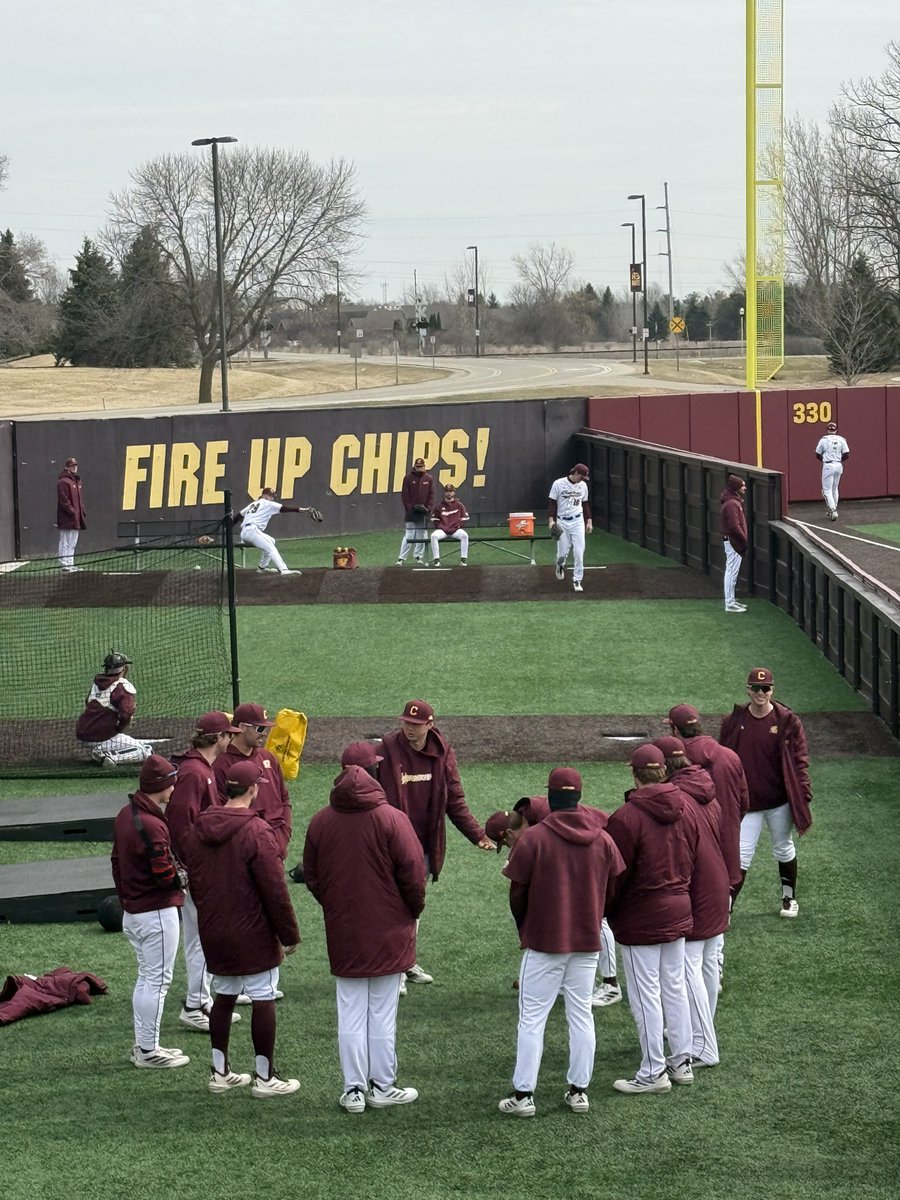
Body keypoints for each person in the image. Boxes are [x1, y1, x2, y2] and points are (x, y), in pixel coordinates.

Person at [303, 743, 426, 1113]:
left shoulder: (322, 820)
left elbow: (312, 877)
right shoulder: (392, 818)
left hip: (345, 931)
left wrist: (337, 907)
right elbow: (414, 877)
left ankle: (353, 1089)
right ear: (374, 773)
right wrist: (410, 912)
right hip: (389, 931)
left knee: (351, 1013)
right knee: (382, 1015)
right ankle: (382, 1085)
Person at [498, 768, 625, 1117]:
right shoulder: (602, 838)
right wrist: (594, 916)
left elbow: (517, 893)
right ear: (578, 796)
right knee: (581, 1015)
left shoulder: (534, 838)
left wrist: (526, 925)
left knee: (532, 1020)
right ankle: (578, 1091)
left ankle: (524, 1096)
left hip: (544, 942)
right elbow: (614, 886)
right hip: (586, 942)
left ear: (550, 798)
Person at [190, 758, 301, 1098]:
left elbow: (195, 882)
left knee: (223, 997)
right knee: (263, 997)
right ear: (253, 790)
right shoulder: (256, 831)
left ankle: (220, 1072)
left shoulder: (199, 827)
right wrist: (289, 934)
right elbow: (274, 889)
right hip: (253, 931)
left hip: (214, 929)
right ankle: (265, 1078)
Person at [378, 699, 494, 984]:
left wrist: (477, 835)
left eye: (416, 724)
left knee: (413, 906)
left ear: (430, 724)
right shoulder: (385, 751)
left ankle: (405, 963)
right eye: (406, 722)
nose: (410, 728)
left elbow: (454, 800)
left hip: (424, 847)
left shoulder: (442, 753)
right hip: (390, 844)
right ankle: (393, 969)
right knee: (392, 906)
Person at [605, 743, 699, 1095]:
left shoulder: (626, 817)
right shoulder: (686, 807)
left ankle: (653, 1072)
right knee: (674, 988)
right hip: (679, 905)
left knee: (646, 996)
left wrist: (608, 909)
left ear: (634, 773)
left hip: (641, 915)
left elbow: (616, 874)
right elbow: (693, 853)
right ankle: (682, 1061)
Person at [486, 796, 621, 1007]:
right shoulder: (532, 820)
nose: (511, 846)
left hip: (606, 842)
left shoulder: (544, 818)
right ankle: (562, 978)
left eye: (507, 843)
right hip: (592, 844)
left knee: (598, 916)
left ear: (509, 834)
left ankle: (611, 984)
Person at [653, 736, 730, 1069]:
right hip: (718, 881)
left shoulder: (679, 799)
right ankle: (702, 1030)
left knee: (688, 967)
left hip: (698, 886)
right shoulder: (704, 787)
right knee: (708, 962)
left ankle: (703, 1045)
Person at [111, 754, 188, 1069]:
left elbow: (116, 862)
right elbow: (164, 875)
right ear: (161, 786)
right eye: (171, 782)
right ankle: (148, 1051)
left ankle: (144, 1045)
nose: (174, 788)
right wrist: (184, 879)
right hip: (156, 913)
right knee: (157, 981)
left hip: (134, 911)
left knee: (147, 979)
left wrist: (127, 896)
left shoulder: (125, 814)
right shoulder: (155, 825)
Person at [166, 710, 241, 1035]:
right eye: (229, 734)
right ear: (219, 738)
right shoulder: (196, 773)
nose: (231, 739)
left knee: (202, 938)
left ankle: (202, 1000)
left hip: (198, 866)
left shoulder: (199, 768)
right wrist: (193, 866)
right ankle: (195, 1005)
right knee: (200, 940)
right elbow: (182, 825)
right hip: (197, 870)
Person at [719, 668, 813, 919]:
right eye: (756, 688)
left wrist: (803, 794)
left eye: (766, 688)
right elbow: (721, 759)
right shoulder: (733, 722)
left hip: (778, 802)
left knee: (783, 847)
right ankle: (726, 907)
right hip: (747, 804)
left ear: (772, 690)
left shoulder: (787, 721)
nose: (761, 693)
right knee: (740, 854)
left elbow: (800, 760)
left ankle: (789, 898)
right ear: (748, 689)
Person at [666, 703, 749, 904]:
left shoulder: (672, 760)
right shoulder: (730, 756)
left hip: (690, 846)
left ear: (675, 729)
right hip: (726, 839)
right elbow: (744, 801)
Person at [213, 702, 292, 860]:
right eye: (259, 728)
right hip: (246, 847)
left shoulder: (268, 757)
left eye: (266, 729)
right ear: (242, 727)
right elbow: (221, 809)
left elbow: (284, 799)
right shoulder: (221, 764)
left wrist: (284, 834)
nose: (264, 733)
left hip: (275, 843)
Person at [75, 650, 156, 767]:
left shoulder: (97, 683)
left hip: (83, 735)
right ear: (124, 669)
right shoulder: (122, 686)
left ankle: (102, 752)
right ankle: (110, 757)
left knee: (141, 746)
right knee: (145, 751)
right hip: (102, 737)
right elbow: (126, 714)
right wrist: (120, 727)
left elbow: (88, 702)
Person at [234, 487, 310, 576]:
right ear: (264, 495)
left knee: (271, 541)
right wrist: (298, 509)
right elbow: (283, 508)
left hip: (245, 533)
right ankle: (284, 569)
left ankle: (262, 567)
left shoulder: (253, 504)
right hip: (252, 531)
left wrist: (229, 524)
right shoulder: (267, 503)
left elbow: (238, 516)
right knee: (271, 548)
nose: (271, 498)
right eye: (270, 496)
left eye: (272, 496)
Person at [548, 463, 593, 593]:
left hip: (577, 521)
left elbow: (585, 504)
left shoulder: (583, 486)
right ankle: (559, 565)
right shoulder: (558, 483)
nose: (583, 479)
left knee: (579, 552)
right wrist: (551, 521)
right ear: (576, 473)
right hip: (562, 521)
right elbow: (552, 503)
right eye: (582, 476)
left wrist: (588, 521)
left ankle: (577, 580)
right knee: (562, 553)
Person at [397, 457, 435, 565]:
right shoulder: (408, 478)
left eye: (421, 467)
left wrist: (428, 508)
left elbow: (431, 495)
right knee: (408, 535)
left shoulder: (429, 478)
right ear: (414, 466)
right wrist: (409, 508)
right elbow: (405, 495)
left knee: (421, 535)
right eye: (417, 467)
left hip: (423, 512)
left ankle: (418, 557)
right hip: (411, 512)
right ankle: (401, 558)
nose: (419, 469)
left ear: (424, 466)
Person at [720, 473, 748, 613]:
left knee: (731, 571)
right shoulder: (732, 504)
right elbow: (734, 526)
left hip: (731, 540)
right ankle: (729, 603)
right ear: (736, 487)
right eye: (742, 485)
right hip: (733, 541)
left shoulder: (732, 501)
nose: (745, 488)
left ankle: (731, 600)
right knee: (731, 571)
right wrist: (743, 539)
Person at [56, 456, 86, 572]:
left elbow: (79, 500)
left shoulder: (77, 480)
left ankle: (70, 563)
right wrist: (72, 511)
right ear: (67, 467)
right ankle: (64, 563)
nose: (75, 468)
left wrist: (81, 511)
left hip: (76, 518)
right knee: (65, 541)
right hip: (67, 518)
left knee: (73, 542)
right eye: (72, 466)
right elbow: (64, 500)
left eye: (75, 465)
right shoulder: (63, 482)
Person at [815, 421, 850, 521]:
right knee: (835, 488)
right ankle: (833, 509)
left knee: (826, 490)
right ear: (836, 430)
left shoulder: (824, 440)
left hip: (828, 464)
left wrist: (826, 461)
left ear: (827, 430)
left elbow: (817, 454)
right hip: (838, 464)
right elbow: (847, 454)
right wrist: (838, 461)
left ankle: (833, 510)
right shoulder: (841, 439)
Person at [430, 484, 470, 566]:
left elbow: (464, 518)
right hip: (443, 530)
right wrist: (442, 527)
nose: (449, 493)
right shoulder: (439, 506)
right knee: (433, 536)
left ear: (454, 493)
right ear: (444, 493)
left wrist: (458, 526)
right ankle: (437, 560)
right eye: (447, 491)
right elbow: (435, 520)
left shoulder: (459, 505)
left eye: (451, 491)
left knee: (464, 535)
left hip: (455, 530)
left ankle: (463, 560)